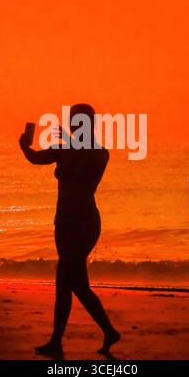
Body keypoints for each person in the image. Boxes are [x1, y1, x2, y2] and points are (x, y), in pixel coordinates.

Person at [19, 104, 120, 359]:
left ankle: (59, 341)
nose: (75, 125)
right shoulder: (67, 148)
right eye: (73, 121)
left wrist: (67, 146)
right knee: (73, 283)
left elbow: (81, 177)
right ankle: (106, 331)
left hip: (83, 223)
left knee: (67, 280)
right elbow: (35, 158)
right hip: (63, 222)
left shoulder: (98, 153)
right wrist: (24, 146)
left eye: (79, 121)